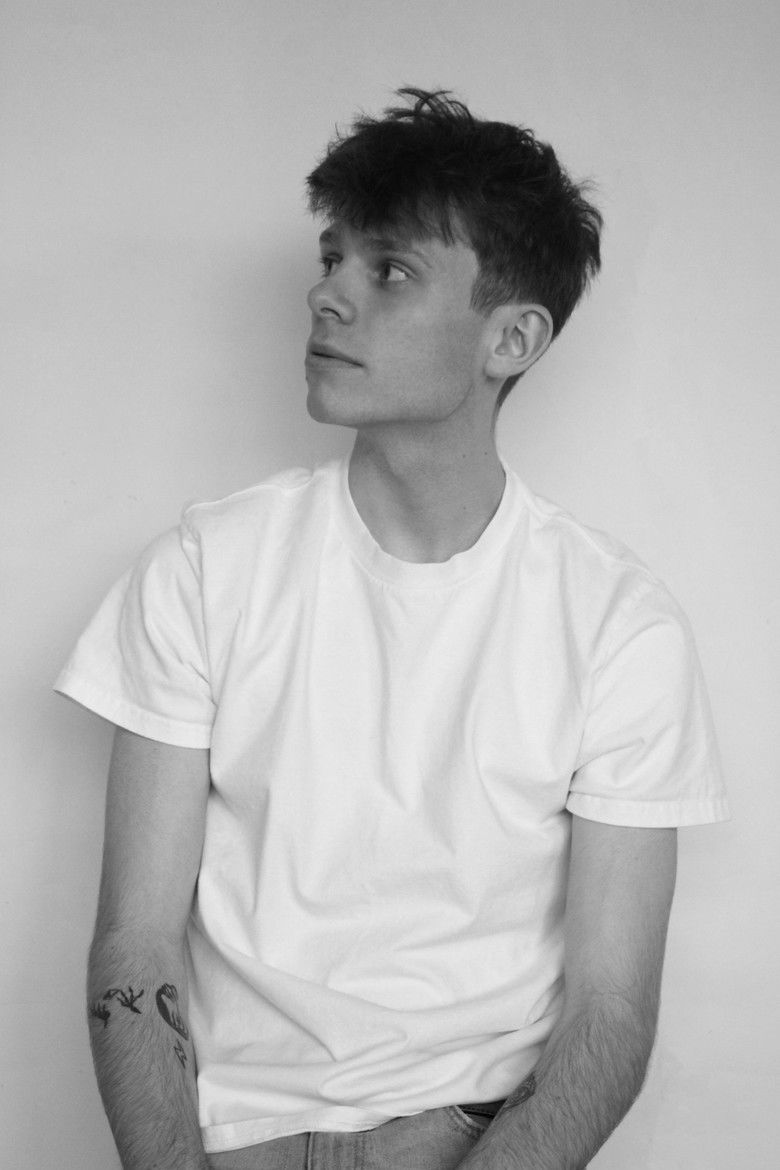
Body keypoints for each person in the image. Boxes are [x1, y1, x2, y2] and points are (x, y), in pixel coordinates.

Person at [56, 88, 729, 1170]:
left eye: (391, 271)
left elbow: (610, 1012)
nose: (327, 294)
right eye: (334, 258)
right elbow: (136, 943)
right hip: (229, 1140)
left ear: (512, 337)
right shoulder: (204, 567)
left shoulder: (618, 623)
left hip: (470, 1138)